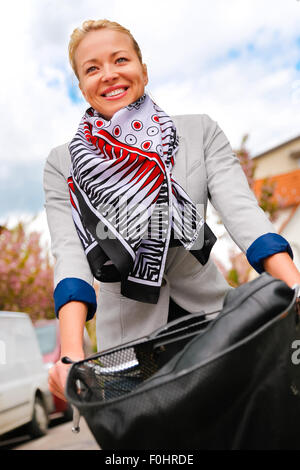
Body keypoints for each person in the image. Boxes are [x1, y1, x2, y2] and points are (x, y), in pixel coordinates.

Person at [44, 19, 300, 402]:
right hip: (129, 353)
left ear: (143, 70)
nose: (109, 74)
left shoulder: (199, 132)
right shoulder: (62, 164)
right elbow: (70, 256)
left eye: (120, 60)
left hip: (216, 326)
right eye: (92, 68)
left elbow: (244, 214)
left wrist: (293, 285)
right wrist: (70, 354)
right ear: (81, 86)